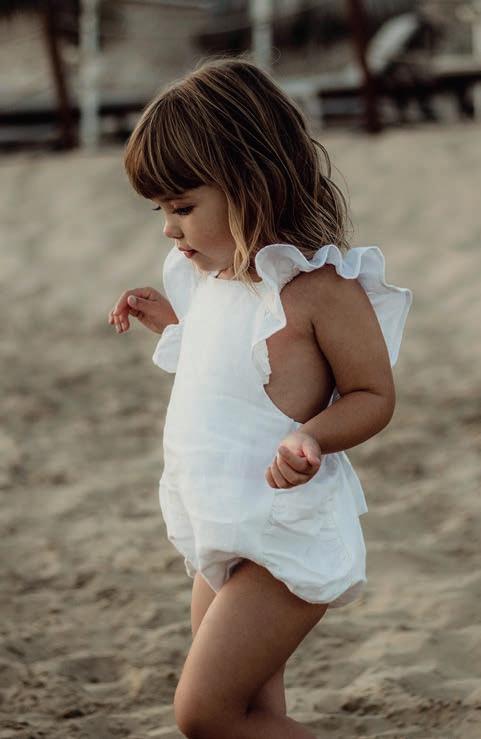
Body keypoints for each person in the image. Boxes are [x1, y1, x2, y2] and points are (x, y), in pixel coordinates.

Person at [108, 55, 413, 739]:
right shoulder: (209, 280)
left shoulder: (319, 289)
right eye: (161, 210)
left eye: (183, 208)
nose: (168, 229)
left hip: (282, 531)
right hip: (218, 521)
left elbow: (373, 393)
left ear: (251, 182)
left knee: (204, 712)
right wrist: (173, 325)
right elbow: (232, 376)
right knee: (250, 718)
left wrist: (313, 435)